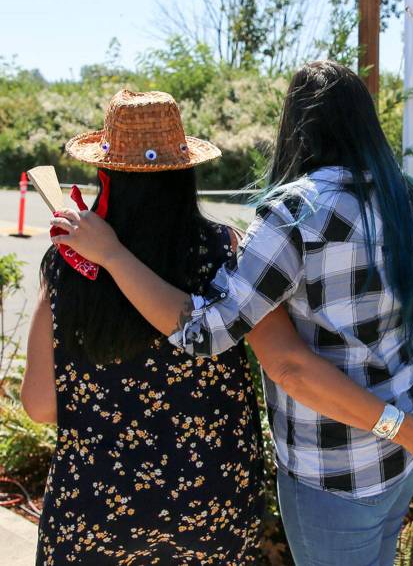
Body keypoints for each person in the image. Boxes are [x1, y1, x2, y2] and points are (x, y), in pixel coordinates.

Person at [51, 63, 413, 565]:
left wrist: (114, 256)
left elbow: (210, 334)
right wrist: (403, 425)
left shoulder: (297, 212)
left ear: (295, 127)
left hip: (338, 468)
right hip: (409, 448)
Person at [21, 90, 265, 564]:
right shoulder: (225, 251)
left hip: (92, 507)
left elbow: (38, 405)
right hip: (211, 502)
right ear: (186, 173)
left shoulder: (69, 263)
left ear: (104, 172)